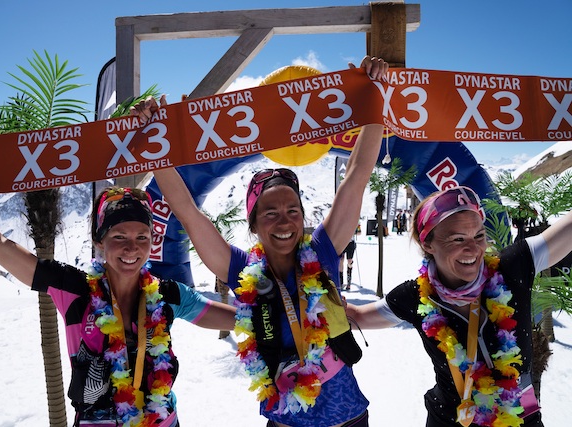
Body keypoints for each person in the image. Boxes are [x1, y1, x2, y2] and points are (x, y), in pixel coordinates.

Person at [133, 56, 389, 427]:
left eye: (292, 210)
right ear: (253, 224)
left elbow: (357, 174)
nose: (284, 221)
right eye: (270, 212)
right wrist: (157, 144)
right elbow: (187, 211)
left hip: (345, 417)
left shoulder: (323, 250)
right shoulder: (240, 271)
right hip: (283, 420)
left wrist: (373, 97)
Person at [0, 187, 236, 427]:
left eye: (141, 237)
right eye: (119, 237)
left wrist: (272, 304)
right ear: (99, 241)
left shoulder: (168, 294)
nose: (132, 248)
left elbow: (234, 318)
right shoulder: (74, 288)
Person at [345, 185, 572, 427]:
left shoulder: (512, 267)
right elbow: (357, 316)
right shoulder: (416, 296)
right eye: (458, 239)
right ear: (428, 243)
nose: (473, 250)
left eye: (479, 236)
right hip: (449, 420)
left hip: (520, 417)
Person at [340, 226, 359, 291]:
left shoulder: (355, 220)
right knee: (340, 261)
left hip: (350, 243)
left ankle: (349, 283)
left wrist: (356, 230)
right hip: (341, 242)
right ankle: (340, 282)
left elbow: (359, 232)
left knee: (349, 262)